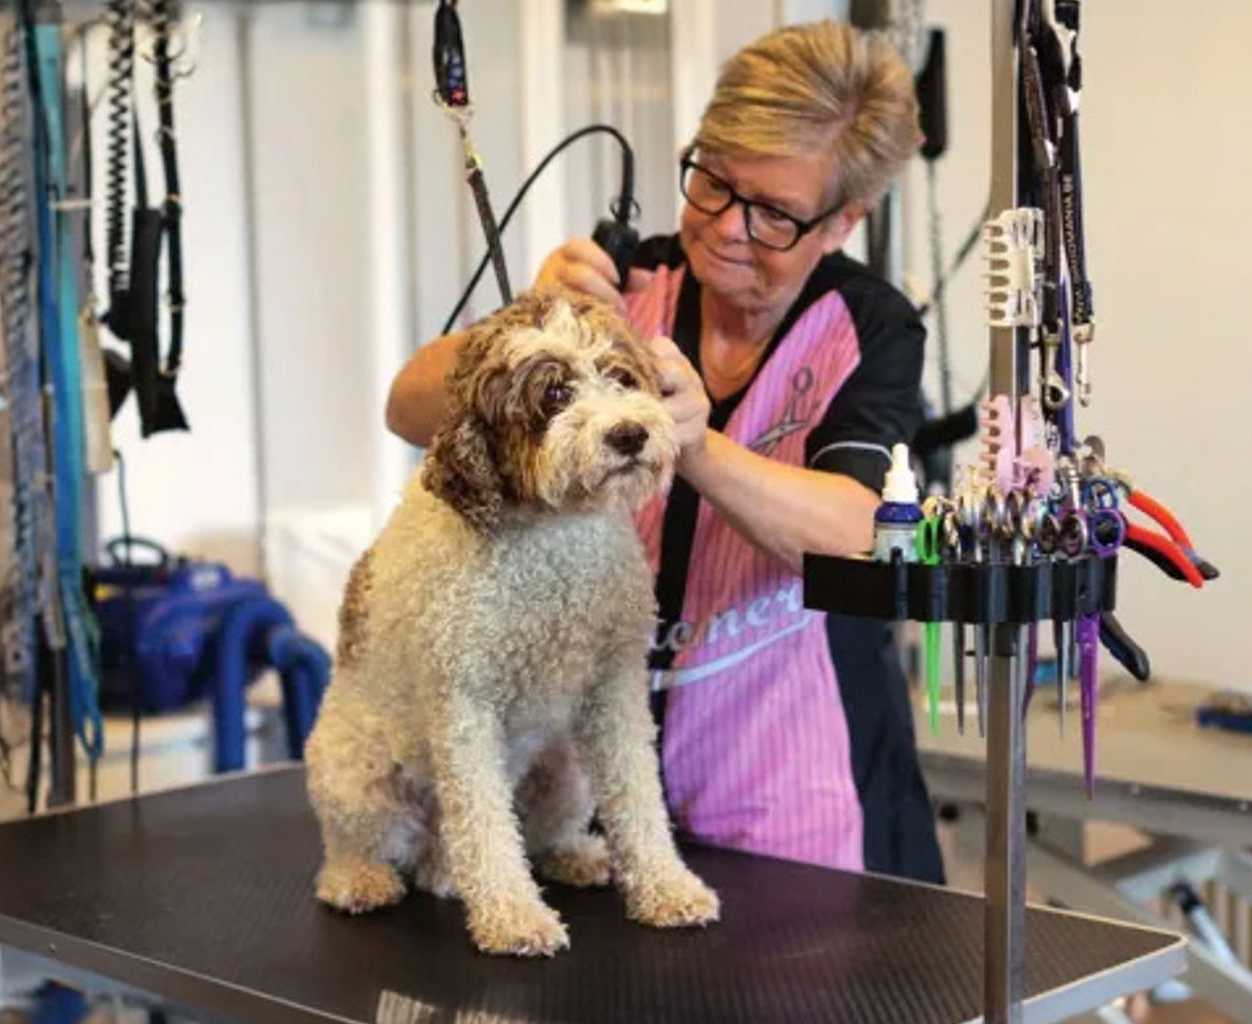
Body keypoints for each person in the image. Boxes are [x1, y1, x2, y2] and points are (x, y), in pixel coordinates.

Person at [386, 19, 944, 884]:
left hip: (790, 795)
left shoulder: (869, 329)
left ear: (843, 221)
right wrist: (521, 328)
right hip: (594, 787)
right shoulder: (623, 285)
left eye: (773, 215)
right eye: (713, 183)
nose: (726, 227)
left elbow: (856, 531)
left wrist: (698, 443)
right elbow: (407, 409)